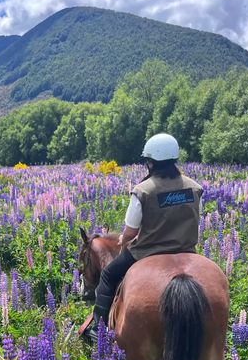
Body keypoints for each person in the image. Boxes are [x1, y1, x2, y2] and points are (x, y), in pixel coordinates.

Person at [84, 133, 203, 342]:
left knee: (108, 276)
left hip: (147, 251)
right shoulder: (194, 187)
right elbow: (195, 217)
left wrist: (124, 238)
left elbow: (131, 231)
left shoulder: (143, 190)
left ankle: (98, 329)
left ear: (150, 162)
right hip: (186, 251)